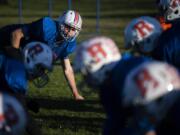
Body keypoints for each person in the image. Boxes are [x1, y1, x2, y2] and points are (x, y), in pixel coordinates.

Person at [73, 36, 180, 135]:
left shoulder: (122, 80)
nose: (86, 77)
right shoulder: (132, 63)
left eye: (87, 71)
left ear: (99, 65)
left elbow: (142, 128)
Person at [0, 10, 84, 100]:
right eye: (67, 27)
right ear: (61, 23)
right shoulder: (47, 27)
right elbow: (16, 34)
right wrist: (15, 63)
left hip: (23, 51)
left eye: (73, 29)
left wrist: (76, 94)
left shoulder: (69, 44)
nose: (69, 32)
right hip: (6, 40)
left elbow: (67, 69)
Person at [0, 41, 53, 135]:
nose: (41, 73)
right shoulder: (17, 73)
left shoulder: (16, 61)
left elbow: (7, 90)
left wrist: (27, 101)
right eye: (40, 68)